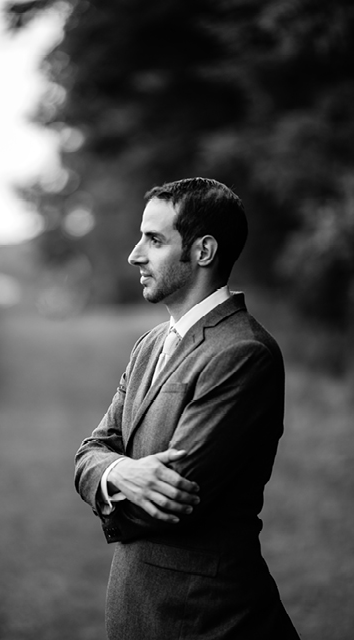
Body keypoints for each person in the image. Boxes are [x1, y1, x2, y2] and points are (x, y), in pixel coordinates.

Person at [74, 178, 299, 639]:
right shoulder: (150, 344)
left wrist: (103, 480)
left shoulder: (243, 353)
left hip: (208, 619)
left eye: (154, 240)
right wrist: (119, 474)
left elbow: (171, 502)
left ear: (203, 251)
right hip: (140, 609)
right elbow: (90, 451)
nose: (136, 254)